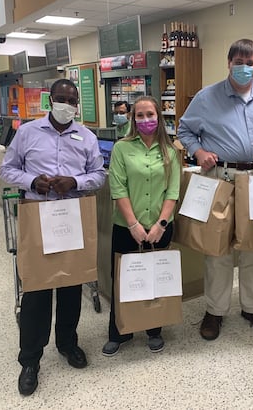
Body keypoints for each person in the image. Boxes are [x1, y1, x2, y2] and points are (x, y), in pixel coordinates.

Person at [177, 38, 253, 341]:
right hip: (222, 178)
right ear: (228, 63)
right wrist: (198, 152)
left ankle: (251, 307)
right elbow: (184, 130)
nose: (244, 68)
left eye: (250, 62)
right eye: (238, 62)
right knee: (216, 248)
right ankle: (215, 311)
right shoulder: (207, 98)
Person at [0, 79, 107, 396]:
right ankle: (30, 359)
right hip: (38, 216)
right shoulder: (27, 133)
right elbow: (8, 169)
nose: (65, 104)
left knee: (72, 284)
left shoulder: (86, 137)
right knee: (37, 289)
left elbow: (98, 175)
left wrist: (74, 181)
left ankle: (67, 342)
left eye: (70, 100)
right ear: (50, 101)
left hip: (71, 217)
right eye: (59, 98)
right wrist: (34, 181)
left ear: (77, 105)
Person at [102, 95, 181, 356]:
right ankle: (119, 332)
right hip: (126, 227)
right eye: (140, 115)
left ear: (158, 117)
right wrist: (133, 224)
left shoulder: (169, 151)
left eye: (150, 114)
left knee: (154, 278)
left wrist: (161, 223)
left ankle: (153, 329)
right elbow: (118, 187)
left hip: (160, 226)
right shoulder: (122, 149)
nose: (145, 119)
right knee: (124, 278)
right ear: (132, 119)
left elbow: (172, 191)